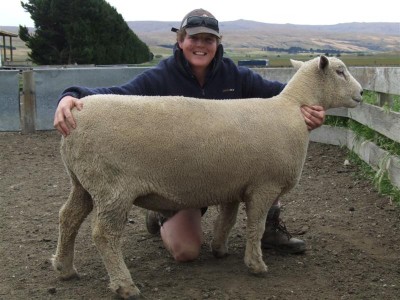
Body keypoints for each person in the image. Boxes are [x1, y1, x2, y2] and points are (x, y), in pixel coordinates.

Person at [54, 8, 325, 262]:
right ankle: (160, 211)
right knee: (187, 252)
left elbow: (282, 97)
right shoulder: (161, 77)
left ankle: (268, 228)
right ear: (181, 40)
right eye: (194, 38)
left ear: (217, 44)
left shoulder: (236, 76)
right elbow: (118, 94)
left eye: (209, 39)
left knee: (268, 160)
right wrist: (71, 95)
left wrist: (307, 109)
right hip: (180, 177)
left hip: (223, 172)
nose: (201, 45)